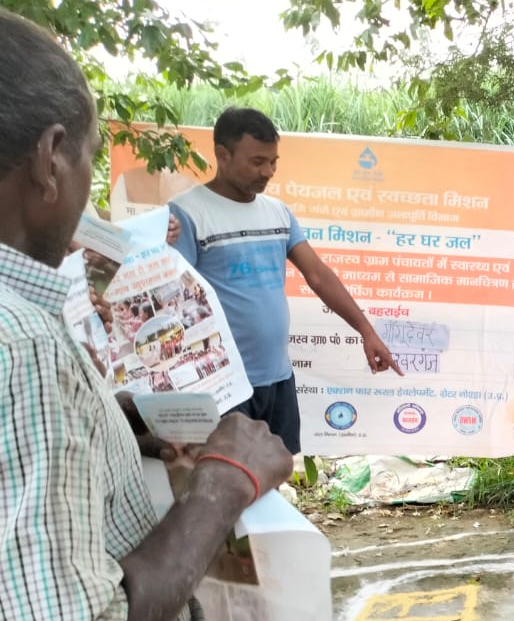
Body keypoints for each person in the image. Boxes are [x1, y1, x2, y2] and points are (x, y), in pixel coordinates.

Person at [0, 10, 295, 621]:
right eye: (89, 160)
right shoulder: (21, 342)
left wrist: (114, 422)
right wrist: (220, 490)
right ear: (52, 156)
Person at [169, 108, 402, 455]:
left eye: (273, 162)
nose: (268, 172)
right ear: (222, 155)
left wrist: (366, 331)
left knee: (276, 473)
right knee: (225, 480)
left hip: (277, 379)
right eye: (257, 162)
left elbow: (318, 275)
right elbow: (171, 300)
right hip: (222, 385)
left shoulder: (277, 212)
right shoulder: (186, 214)